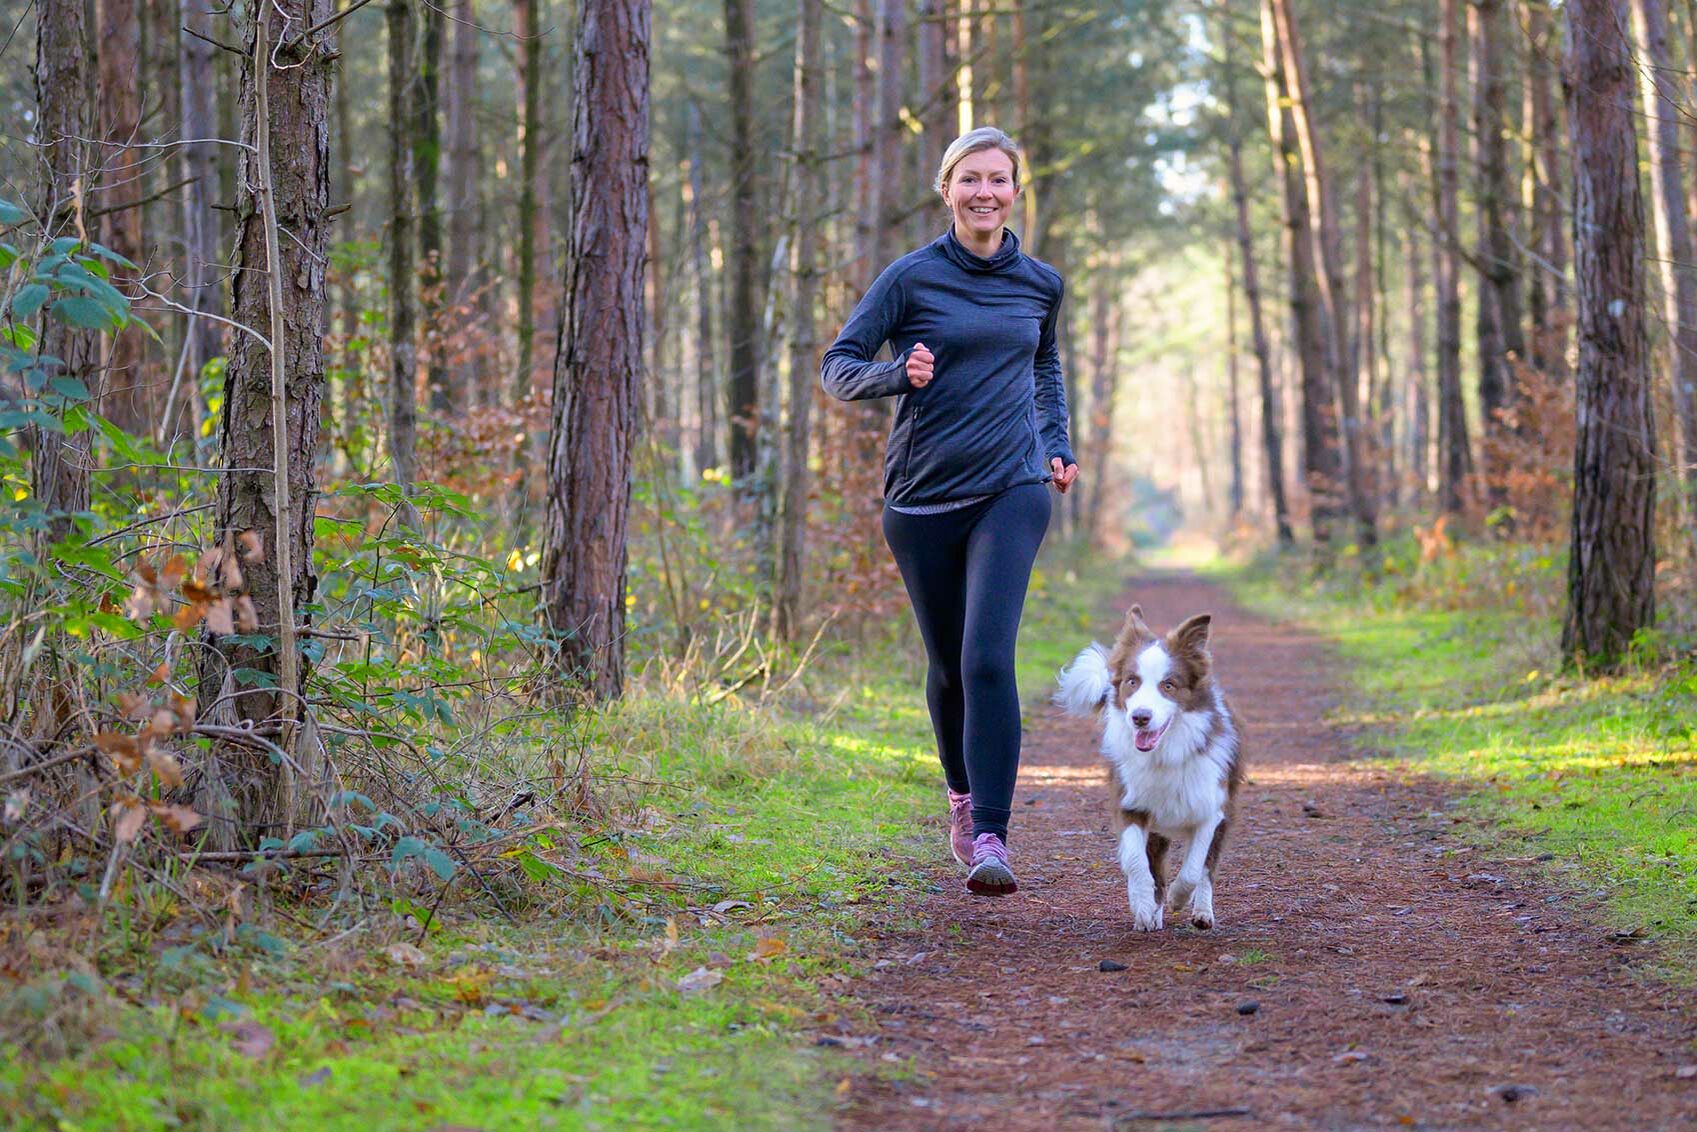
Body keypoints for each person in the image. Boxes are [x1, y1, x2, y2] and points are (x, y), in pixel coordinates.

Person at [820, 126, 1079, 896]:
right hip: (922, 497)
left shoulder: (1040, 282)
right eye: (970, 179)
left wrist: (1055, 442)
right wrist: (897, 374)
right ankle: (961, 798)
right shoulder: (908, 278)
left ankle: (993, 835)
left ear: (1014, 190)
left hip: (1014, 487)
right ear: (946, 189)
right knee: (946, 668)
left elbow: (1044, 364)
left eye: (998, 179)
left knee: (985, 657)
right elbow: (838, 367)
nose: (985, 193)